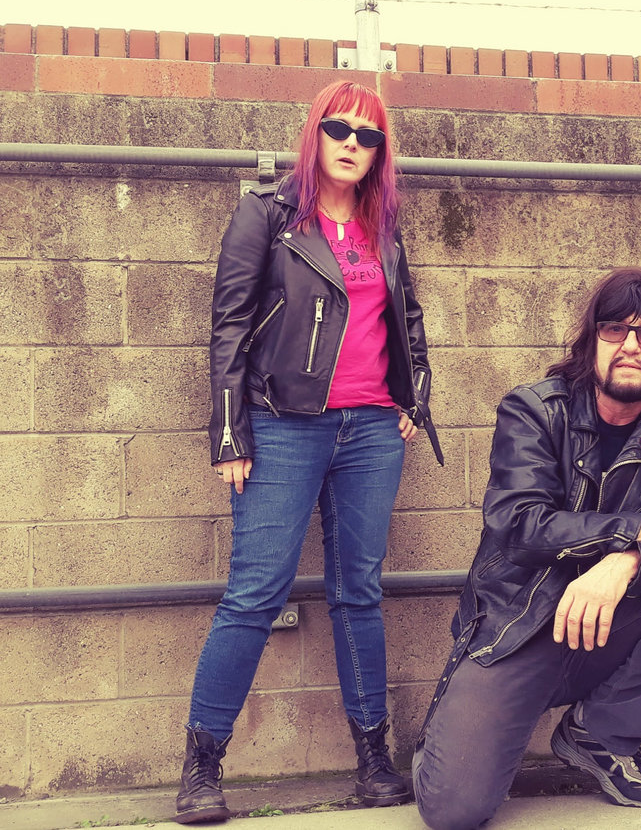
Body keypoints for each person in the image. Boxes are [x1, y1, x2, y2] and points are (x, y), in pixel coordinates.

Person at [176, 80, 441, 824]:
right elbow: (229, 328)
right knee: (256, 592)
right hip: (284, 425)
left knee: (359, 591)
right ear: (314, 134)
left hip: (371, 432)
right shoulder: (267, 214)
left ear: (380, 152)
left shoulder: (384, 225)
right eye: (339, 129)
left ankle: (373, 759)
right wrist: (230, 432)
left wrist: (413, 398)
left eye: (369, 136)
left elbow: (407, 321)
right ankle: (202, 766)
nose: (353, 144)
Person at [412, 268, 641, 830]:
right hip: (519, 630)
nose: (631, 346)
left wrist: (625, 562)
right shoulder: (536, 410)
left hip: (609, 624)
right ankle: (448, 736)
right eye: (615, 330)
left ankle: (599, 734)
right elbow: (521, 525)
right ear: (592, 339)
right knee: (453, 811)